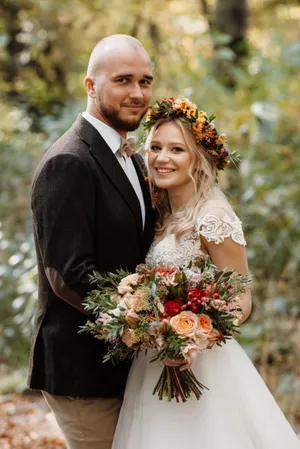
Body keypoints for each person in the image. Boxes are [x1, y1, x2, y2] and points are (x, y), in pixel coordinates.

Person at [112, 98, 300, 449]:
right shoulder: (162, 212)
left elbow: (242, 298)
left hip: (202, 367)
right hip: (152, 362)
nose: (161, 158)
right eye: (155, 147)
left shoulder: (213, 216)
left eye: (176, 149)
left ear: (197, 158)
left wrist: (193, 339)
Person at [28, 34, 155, 449]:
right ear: (90, 85)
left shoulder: (132, 157)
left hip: (127, 365)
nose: (137, 93)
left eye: (145, 81)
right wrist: (144, 321)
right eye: (123, 80)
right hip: (82, 367)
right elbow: (67, 272)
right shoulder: (68, 161)